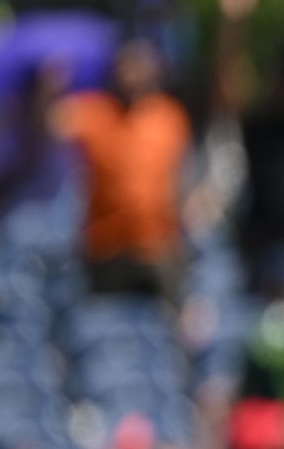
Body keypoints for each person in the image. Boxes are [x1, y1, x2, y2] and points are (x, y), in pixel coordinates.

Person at [55, 39, 190, 300]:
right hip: (106, 248)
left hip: (158, 247)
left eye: (139, 66)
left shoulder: (169, 116)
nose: (132, 74)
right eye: (126, 66)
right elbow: (50, 123)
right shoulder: (94, 111)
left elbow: (182, 175)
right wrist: (52, 82)